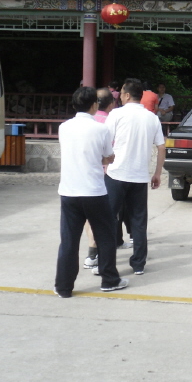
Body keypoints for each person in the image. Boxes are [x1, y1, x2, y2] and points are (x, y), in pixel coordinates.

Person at [54, 86, 128, 297]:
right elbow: (108, 156)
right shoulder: (100, 129)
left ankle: (64, 287)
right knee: (105, 236)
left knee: (69, 241)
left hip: (69, 191)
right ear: (94, 105)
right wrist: (105, 159)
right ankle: (109, 279)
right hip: (94, 192)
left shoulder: (64, 127)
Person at [103, 78, 166, 276]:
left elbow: (105, 141)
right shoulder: (152, 118)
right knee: (138, 221)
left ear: (128, 95)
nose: (119, 96)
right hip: (139, 177)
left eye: (121, 93)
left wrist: (104, 163)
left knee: (108, 219)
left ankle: (106, 261)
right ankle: (138, 264)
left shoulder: (116, 114)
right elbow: (161, 147)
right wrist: (157, 173)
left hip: (116, 173)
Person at [82, 88, 115, 269]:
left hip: (84, 176)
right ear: (111, 104)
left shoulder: (82, 123)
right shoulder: (109, 123)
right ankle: (96, 256)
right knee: (103, 219)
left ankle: (91, 253)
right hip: (105, 176)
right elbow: (110, 155)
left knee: (88, 218)